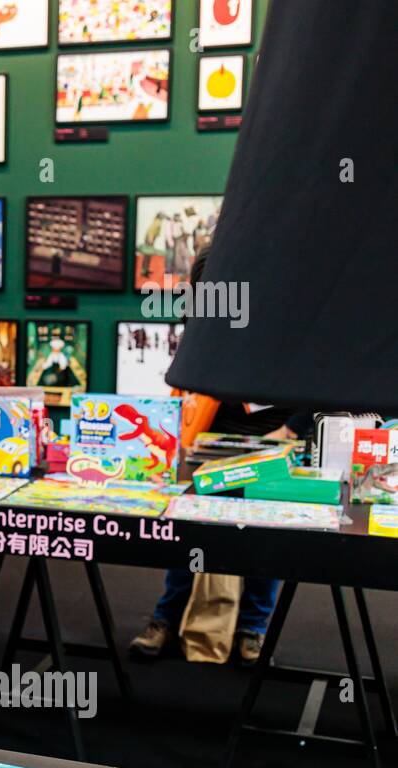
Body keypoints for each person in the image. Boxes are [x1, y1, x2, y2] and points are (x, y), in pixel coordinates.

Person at [131, 246, 314, 665]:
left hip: (278, 440)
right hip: (213, 439)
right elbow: (185, 376)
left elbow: (321, 378)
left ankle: (253, 627)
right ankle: (166, 619)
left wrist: (290, 431)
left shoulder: (292, 312)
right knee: (191, 532)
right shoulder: (206, 313)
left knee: (264, 534)